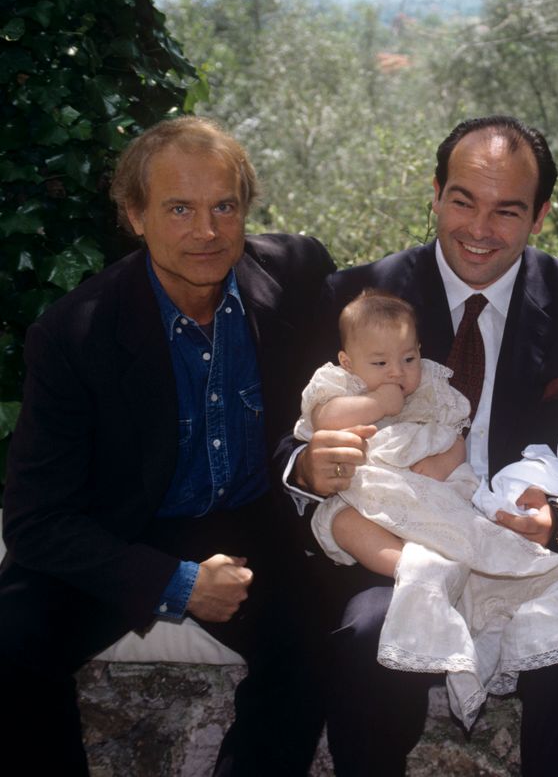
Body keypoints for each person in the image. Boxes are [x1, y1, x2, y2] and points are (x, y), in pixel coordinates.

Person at [284, 115, 558, 777]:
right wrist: (306, 466)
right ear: (435, 192)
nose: (477, 228)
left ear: (540, 216)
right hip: (400, 540)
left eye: (506, 210)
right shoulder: (357, 298)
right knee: (366, 635)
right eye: (462, 199)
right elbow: (291, 431)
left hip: (524, 545)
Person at [0, 116, 336, 775]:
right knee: (9, 645)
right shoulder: (75, 334)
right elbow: (35, 521)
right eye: (179, 208)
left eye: (223, 207)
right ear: (134, 214)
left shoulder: (297, 277)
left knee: (316, 639)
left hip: (251, 519)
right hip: (119, 526)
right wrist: (175, 583)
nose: (206, 233)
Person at [298, 290, 558, 727]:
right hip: (368, 487)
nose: (397, 373)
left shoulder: (432, 386)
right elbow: (323, 420)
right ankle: (411, 568)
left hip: (433, 490)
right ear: (348, 362)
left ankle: (441, 565)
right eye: (380, 363)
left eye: (408, 359)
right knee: (341, 522)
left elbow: (456, 436)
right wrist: (379, 404)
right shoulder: (337, 386)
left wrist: (442, 464)